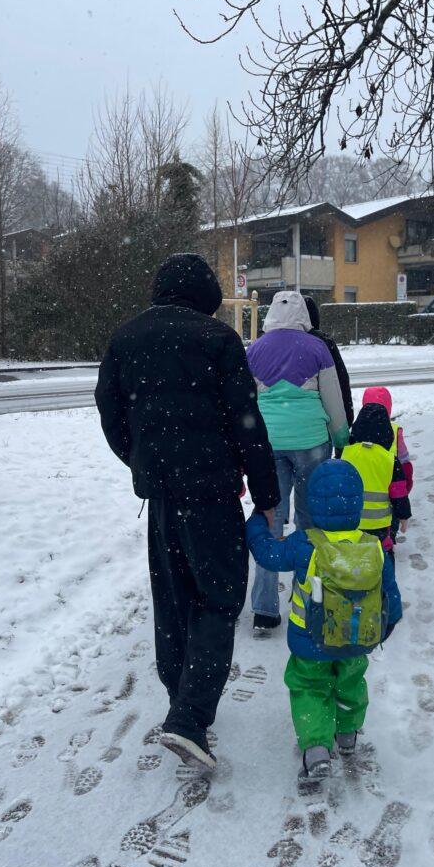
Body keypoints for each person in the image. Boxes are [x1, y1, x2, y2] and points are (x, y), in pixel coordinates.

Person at [95, 253, 279, 770]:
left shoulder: (125, 339)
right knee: (219, 598)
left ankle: (181, 697)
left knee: (173, 598)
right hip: (212, 494)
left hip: (163, 497)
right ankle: (189, 718)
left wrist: (142, 459)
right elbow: (247, 422)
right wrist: (266, 496)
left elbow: (109, 412)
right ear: (208, 299)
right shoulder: (217, 340)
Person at [246, 459, 402, 781]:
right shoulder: (374, 547)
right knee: (350, 684)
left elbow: (267, 554)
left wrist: (256, 524)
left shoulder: (305, 543)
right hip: (356, 639)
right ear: (357, 503)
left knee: (309, 688)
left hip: (310, 643)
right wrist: (383, 630)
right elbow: (391, 595)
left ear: (311, 504)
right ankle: (346, 735)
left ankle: (317, 748)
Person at [246, 291, 351, 633]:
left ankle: (263, 609)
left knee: (270, 519)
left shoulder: (255, 350)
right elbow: (333, 399)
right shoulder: (317, 348)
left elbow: (246, 401)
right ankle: (307, 601)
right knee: (310, 524)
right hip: (310, 442)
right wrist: (340, 438)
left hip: (269, 443)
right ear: (304, 314)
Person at [341, 401, 412, 555]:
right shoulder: (390, 460)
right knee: (381, 556)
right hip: (379, 526)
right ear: (387, 432)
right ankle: (384, 573)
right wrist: (404, 516)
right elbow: (399, 494)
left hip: (349, 521)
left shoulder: (345, 455)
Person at [361, 386, 414, 540]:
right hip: (390, 485)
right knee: (391, 514)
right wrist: (406, 487)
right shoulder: (395, 431)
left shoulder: (357, 430)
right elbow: (405, 464)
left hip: (362, 491)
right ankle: (388, 539)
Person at [304, 296, 354, 430]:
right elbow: (340, 380)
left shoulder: (267, 342)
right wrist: (347, 420)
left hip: (275, 427)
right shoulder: (323, 342)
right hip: (318, 424)